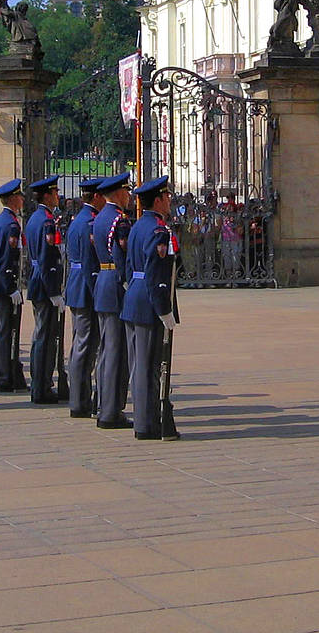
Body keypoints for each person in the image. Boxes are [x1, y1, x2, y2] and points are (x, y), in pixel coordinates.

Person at [122, 176, 178, 441]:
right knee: (148, 366)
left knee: (139, 364)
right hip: (148, 302)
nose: (169, 202)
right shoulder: (158, 231)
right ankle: (146, 423)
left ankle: (145, 419)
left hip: (133, 297)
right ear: (158, 199)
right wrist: (164, 309)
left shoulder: (136, 227)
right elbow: (157, 275)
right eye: (166, 197)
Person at [92, 172, 133, 429]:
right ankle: (111, 410)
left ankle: (103, 404)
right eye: (127, 192)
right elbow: (123, 256)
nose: (129, 196)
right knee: (117, 353)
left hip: (102, 283)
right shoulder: (120, 220)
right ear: (118, 193)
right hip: (116, 284)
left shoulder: (98, 218)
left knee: (106, 350)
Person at [65, 177, 104, 418]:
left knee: (82, 344)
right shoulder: (90, 222)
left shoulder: (80, 219)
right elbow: (91, 264)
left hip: (77, 286)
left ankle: (79, 398)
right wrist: (95, 293)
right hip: (85, 290)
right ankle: (79, 400)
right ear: (97, 197)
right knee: (85, 346)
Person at [25, 175, 64, 404]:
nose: (58, 196)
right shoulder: (47, 221)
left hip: (37, 282)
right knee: (45, 337)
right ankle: (41, 386)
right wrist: (54, 291)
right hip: (44, 285)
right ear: (47, 195)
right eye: (55, 193)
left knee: (42, 335)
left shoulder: (35, 218)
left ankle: (40, 383)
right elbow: (48, 259)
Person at [0, 179, 26, 393]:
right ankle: (4, 376)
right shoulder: (11, 225)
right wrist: (11, 287)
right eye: (19, 196)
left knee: (2, 330)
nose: (22, 200)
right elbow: (6, 259)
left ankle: (5, 372)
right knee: (5, 331)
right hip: (3, 285)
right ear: (12, 199)